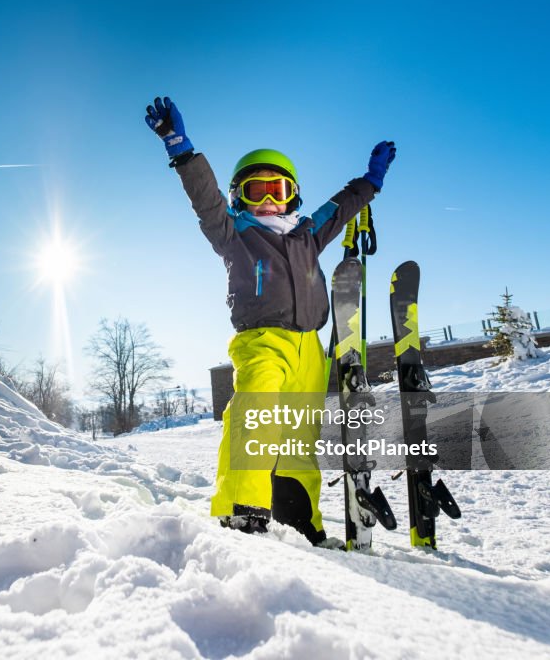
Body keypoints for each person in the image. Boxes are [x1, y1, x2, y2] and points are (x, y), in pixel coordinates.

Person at [144, 96, 396, 547]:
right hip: (262, 342)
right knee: (256, 413)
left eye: (275, 191)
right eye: (254, 192)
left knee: (299, 440)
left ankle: (301, 522)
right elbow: (206, 202)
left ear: (292, 195)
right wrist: (181, 149)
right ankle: (244, 509)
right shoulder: (233, 234)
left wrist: (371, 181)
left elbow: (340, 207)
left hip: (309, 352)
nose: (265, 201)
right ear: (240, 198)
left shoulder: (307, 233)